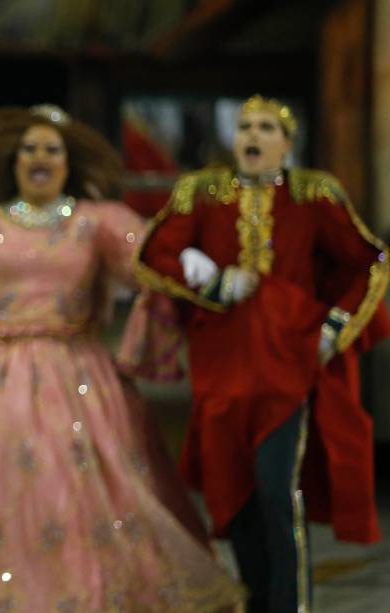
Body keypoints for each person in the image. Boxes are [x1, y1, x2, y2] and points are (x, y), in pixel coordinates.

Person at [0, 104, 244, 612]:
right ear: (13, 159)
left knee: (79, 497)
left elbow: (154, 262)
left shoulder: (98, 222)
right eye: (29, 148)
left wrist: (199, 258)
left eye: (51, 148)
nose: (39, 157)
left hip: (75, 373)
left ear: (69, 160)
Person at [136, 94, 389, 613]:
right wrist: (207, 279)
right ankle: (256, 602)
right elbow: (154, 253)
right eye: (246, 126)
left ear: (287, 142)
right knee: (234, 497)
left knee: (277, 492)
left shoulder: (312, 195)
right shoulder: (201, 193)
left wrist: (332, 328)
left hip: (287, 370)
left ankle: (290, 606)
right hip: (221, 370)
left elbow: (368, 262)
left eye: (267, 127)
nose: (253, 135)